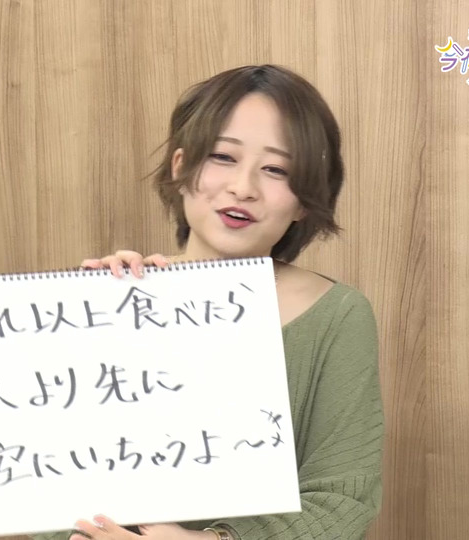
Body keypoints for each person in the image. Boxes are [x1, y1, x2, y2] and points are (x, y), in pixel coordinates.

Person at [31, 64, 383, 540]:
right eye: (222, 156)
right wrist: (93, 322)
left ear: (304, 200)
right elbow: (47, 486)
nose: (243, 187)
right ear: (180, 167)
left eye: (276, 169)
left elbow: (342, 499)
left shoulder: (337, 315)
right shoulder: (110, 298)